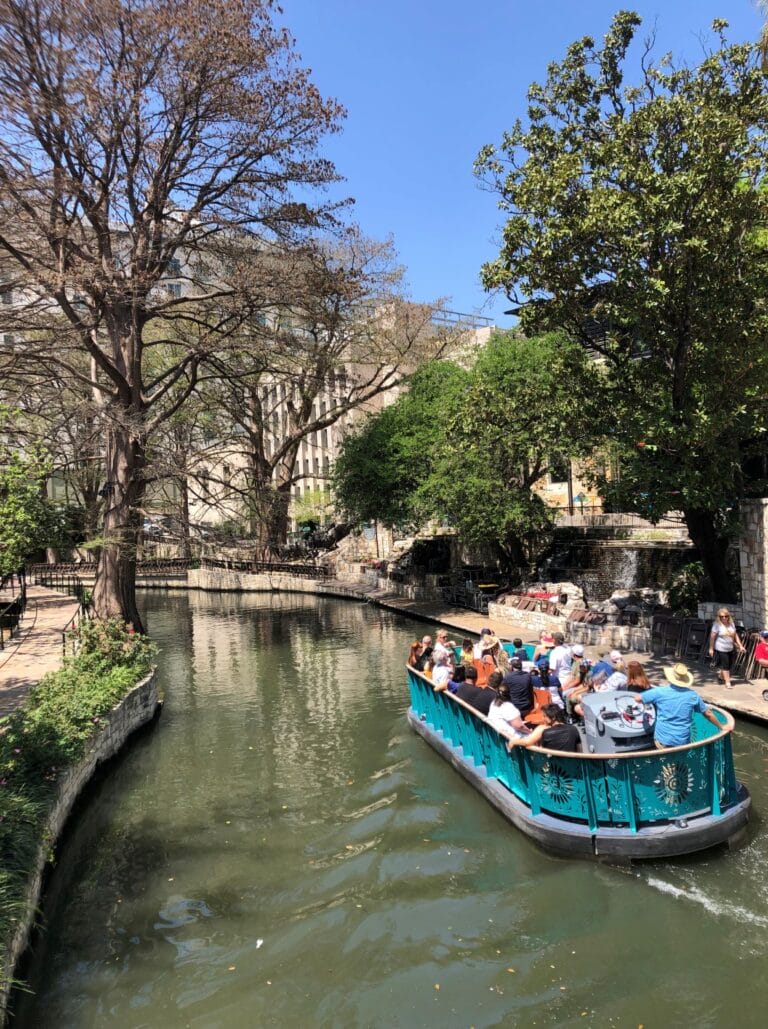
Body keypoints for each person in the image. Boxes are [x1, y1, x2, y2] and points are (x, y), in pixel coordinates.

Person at [634, 661, 721, 748]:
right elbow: (708, 714)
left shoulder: (659, 692)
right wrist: (721, 726)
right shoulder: (693, 695)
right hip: (682, 741)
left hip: (663, 740)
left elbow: (638, 698)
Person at [508, 704, 581, 753]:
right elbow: (579, 751)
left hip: (554, 770)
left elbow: (540, 751)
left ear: (553, 718)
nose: (543, 719)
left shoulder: (546, 732)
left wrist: (513, 741)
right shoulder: (574, 729)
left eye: (545, 716)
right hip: (573, 769)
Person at [709, 607, 745, 689]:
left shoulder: (731, 624)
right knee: (726, 665)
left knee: (730, 664)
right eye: (722, 616)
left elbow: (735, 635)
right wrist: (711, 648)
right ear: (719, 617)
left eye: (726, 616)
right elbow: (712, 637)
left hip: (730, 647)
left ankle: (721, 677)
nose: (724, 618)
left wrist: (740, 645)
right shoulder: (716, 625)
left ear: (728, 616)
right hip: (721, 648)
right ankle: (728, 682)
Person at [485, 674, 530, 740]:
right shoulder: (509, 707)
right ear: (509, 694)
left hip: (497, 735)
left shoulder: (494, 703)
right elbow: (519, 726)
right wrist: (529, 731)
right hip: (510, 739)